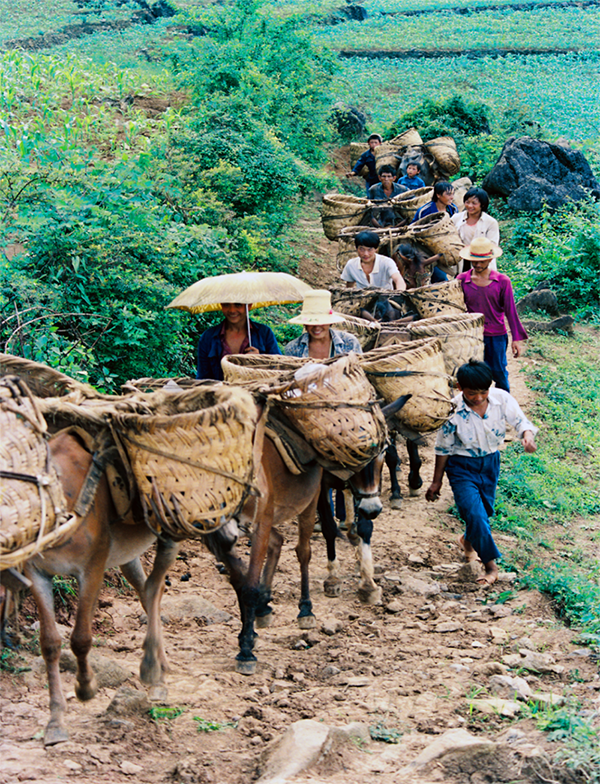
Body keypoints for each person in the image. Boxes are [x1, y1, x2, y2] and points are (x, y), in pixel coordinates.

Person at [425, 359, 537, 586]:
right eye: (471, 393)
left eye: (483, 392)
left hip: (490, 463)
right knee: (475, 515)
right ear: (460, 388)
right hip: (461, 467)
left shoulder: (501, 399)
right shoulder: (452, 410)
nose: (478, 398)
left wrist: (527, 435)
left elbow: (520, 420)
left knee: (483, 513)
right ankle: (490, 566)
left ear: (490, 386)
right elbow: (443, 448)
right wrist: (436, 481)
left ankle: (467, 540)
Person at [457, 237, 527, 392]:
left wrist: (516, 339)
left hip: (496, 335)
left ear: (490, 259)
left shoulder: (502, 281)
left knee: (499, 372)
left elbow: (510, 311)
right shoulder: (462, 280)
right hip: (471, 335)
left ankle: (505, 405)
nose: (478, 265)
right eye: (474, 261)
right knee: (474, 374)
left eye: (482, 261)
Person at [196, 302, 281, 380]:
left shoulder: (265, 334)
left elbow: (281, 369)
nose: (232, 310)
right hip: (220, 395)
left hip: (258, 394)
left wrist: (261, 361)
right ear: (221, 305)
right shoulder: (207, 337)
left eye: (238, 304)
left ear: (249, 305)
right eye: (226, 305)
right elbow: (203, 378)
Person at [284, 290, 362, 359]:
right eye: (312, 323)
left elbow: (359, 371)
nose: (317, 327)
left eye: (322, 322)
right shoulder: (293, 348)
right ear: (305, 324)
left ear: (330, 322)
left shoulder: (349, 343)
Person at [451, 187, 500, 272]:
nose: (470, 206)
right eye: (467, 202)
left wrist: (472, 249)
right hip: (460, 261)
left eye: (474, 203)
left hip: (481, 263)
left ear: (482, 204)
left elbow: (492, 245)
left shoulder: (490, 222)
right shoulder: (456, 218)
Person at [341, 230, 406, 291]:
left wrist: (399, 292)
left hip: (385, 300)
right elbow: (349, 286)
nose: (366, 254)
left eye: (370, 250)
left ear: (376, 249)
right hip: (363, 299)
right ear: (356, 248)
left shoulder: (387, 262)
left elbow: (398, 280)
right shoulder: (351, 265)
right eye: (362, 249)